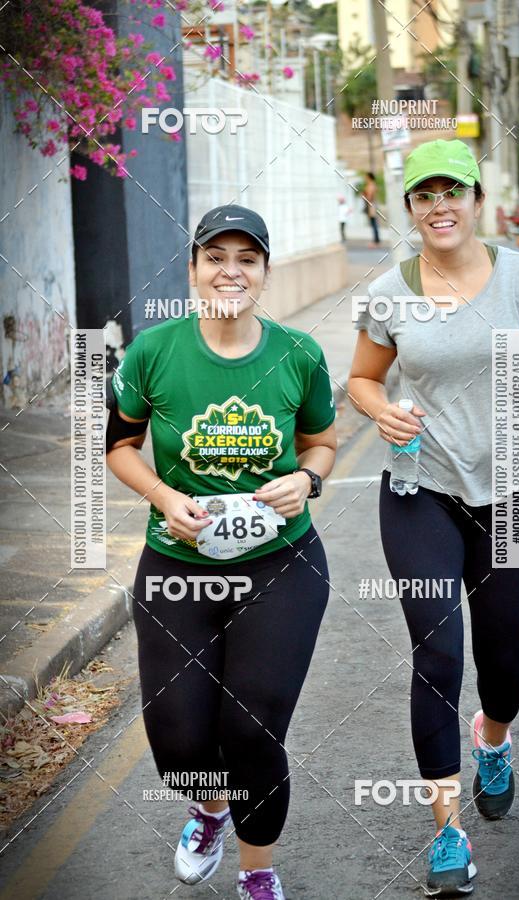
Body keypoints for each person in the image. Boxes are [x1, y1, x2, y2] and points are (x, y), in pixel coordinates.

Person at [348, 139, 519, 896]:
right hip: (419, 491)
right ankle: (447, 835)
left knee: (505, 661)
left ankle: (495, 737)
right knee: (438, 655)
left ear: (476, 199)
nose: (440, 206)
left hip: (512, 494)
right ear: (412, 208)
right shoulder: (390, 291)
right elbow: (359, 378)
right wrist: (381, 410)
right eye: (425, 195)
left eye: (452, 191)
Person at [106, 204, 337, 900]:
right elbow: (118, 447)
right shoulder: (154, 350)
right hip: (178, 568)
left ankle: (257, 871)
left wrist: (308, 478)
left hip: (281, 566)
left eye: (247, 258)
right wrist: (163, 498)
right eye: (216, 257)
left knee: (252, 730)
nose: (230, 271)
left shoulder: (299, 354)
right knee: (179, 748)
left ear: (265, 271)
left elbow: (321, 441)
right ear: (194, 269)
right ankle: (208, 805)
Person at [363, 171, 381, 247]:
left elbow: (369, 198)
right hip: (373, 205)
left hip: (371, 206)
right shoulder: (374, 185)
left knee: (373, 223)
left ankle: (376, 241)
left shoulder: (371, 186)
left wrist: (364, 196)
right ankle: (377, 240)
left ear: (369, 177)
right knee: (374, 223)